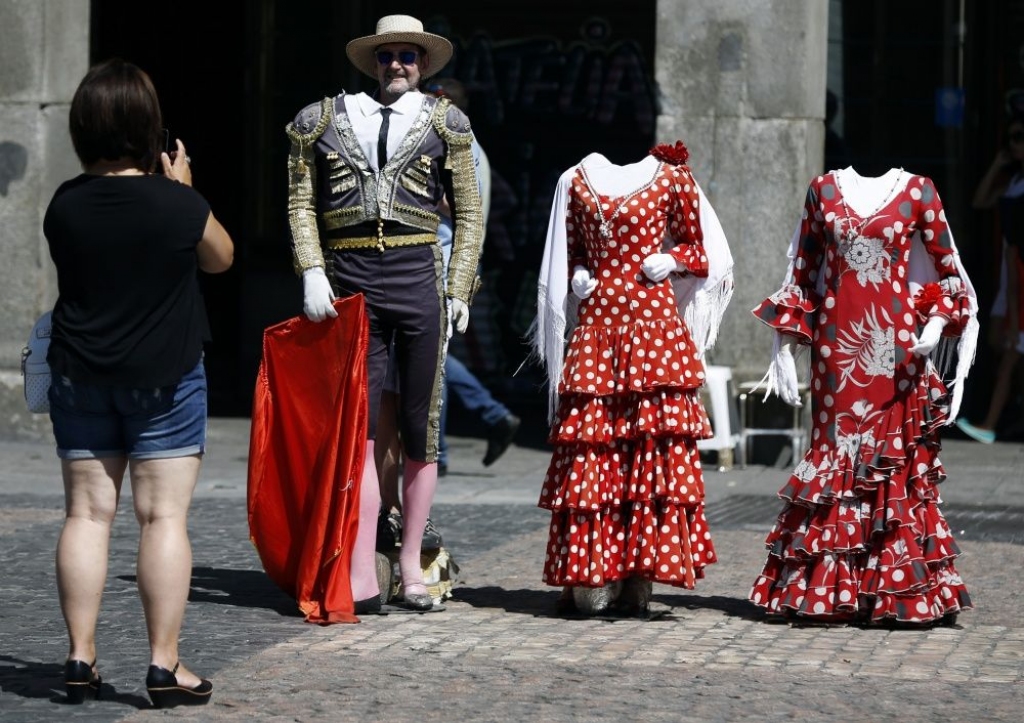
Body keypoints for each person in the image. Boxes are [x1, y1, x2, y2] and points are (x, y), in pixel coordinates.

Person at [43, 58, 234, 707]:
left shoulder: (64, 204)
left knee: (87, 514)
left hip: (79, 375)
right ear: (150, 130)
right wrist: (181, 186)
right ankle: (163, 663)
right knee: (162, 516)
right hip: (167, 376)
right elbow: (222, 257)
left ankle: (79, 655)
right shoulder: (177, 204)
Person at [285, 14, 484, 614]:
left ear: (424, 64)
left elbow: (470, 210)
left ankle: (410, 566)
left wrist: (459, 286)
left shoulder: (448, 123)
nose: (396, 65)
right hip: (351, 275)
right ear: (372, 62)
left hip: (417, 270)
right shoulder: (320, 120)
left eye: (408, 56)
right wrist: (311, 268)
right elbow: (301, 202)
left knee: (422, 420)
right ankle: (358, 567)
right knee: (362, 426)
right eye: (387, 56)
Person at [748, 166, 978, 626]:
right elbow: (803, 269)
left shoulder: (919, 191)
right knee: (836, 453)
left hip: (897, 347)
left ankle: (897, 589)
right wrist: (786, 346)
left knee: (889, 462)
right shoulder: (823, 190)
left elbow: (950, 271)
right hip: (837, 349)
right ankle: (831, 591)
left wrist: (934, 324)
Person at [530, 141, 734, 617]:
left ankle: (640, 573)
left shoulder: (670, 177)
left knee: (649, 451)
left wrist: (674, 259)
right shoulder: (575, 180)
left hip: (653, 328)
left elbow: (702, 249)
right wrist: (580, 270)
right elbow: (574, 248)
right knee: (593, 447)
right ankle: (593, 569)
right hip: (599, 326)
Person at [955, 115, 1024, 443]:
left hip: (1018, 265)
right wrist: (999, 163)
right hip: (1010, 264)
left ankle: (991, 423)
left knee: (1011, 349)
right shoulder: (1012, 181)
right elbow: (979, 200)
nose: (1014, 145)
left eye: (1020, 138)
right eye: (1012, 138)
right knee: (1001, 342)